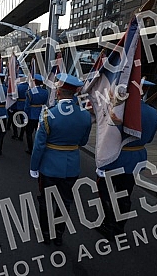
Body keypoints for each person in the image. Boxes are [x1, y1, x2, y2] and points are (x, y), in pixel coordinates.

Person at [30, 73, 92, 246]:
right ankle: (58, 234)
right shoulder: (85, 115)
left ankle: (45, 232)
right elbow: (83, 142)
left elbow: (39, 145)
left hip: (49, 166)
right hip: (71, 165)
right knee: (65, 201)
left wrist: (34, 167)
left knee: (46, 200)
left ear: (58, 92)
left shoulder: (49, 114)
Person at [96, 80, 157, 238]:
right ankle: (119, 227)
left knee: (106, 192)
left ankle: (108, 225)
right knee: (125, 194)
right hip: (135, 159)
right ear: (145, 91)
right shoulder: (153, 112)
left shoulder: (119, 111)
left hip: (114, 158)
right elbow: (150, 139)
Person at [24, 74, 49, 154]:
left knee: (29, 132)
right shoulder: (45, 92)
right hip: (41, 114)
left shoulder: (29, 92)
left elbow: (27, 106)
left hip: (31, 114)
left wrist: (25, 115)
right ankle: (38, 148)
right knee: (39, 133)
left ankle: (30, 148)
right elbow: (45, 103)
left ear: (34, 82)